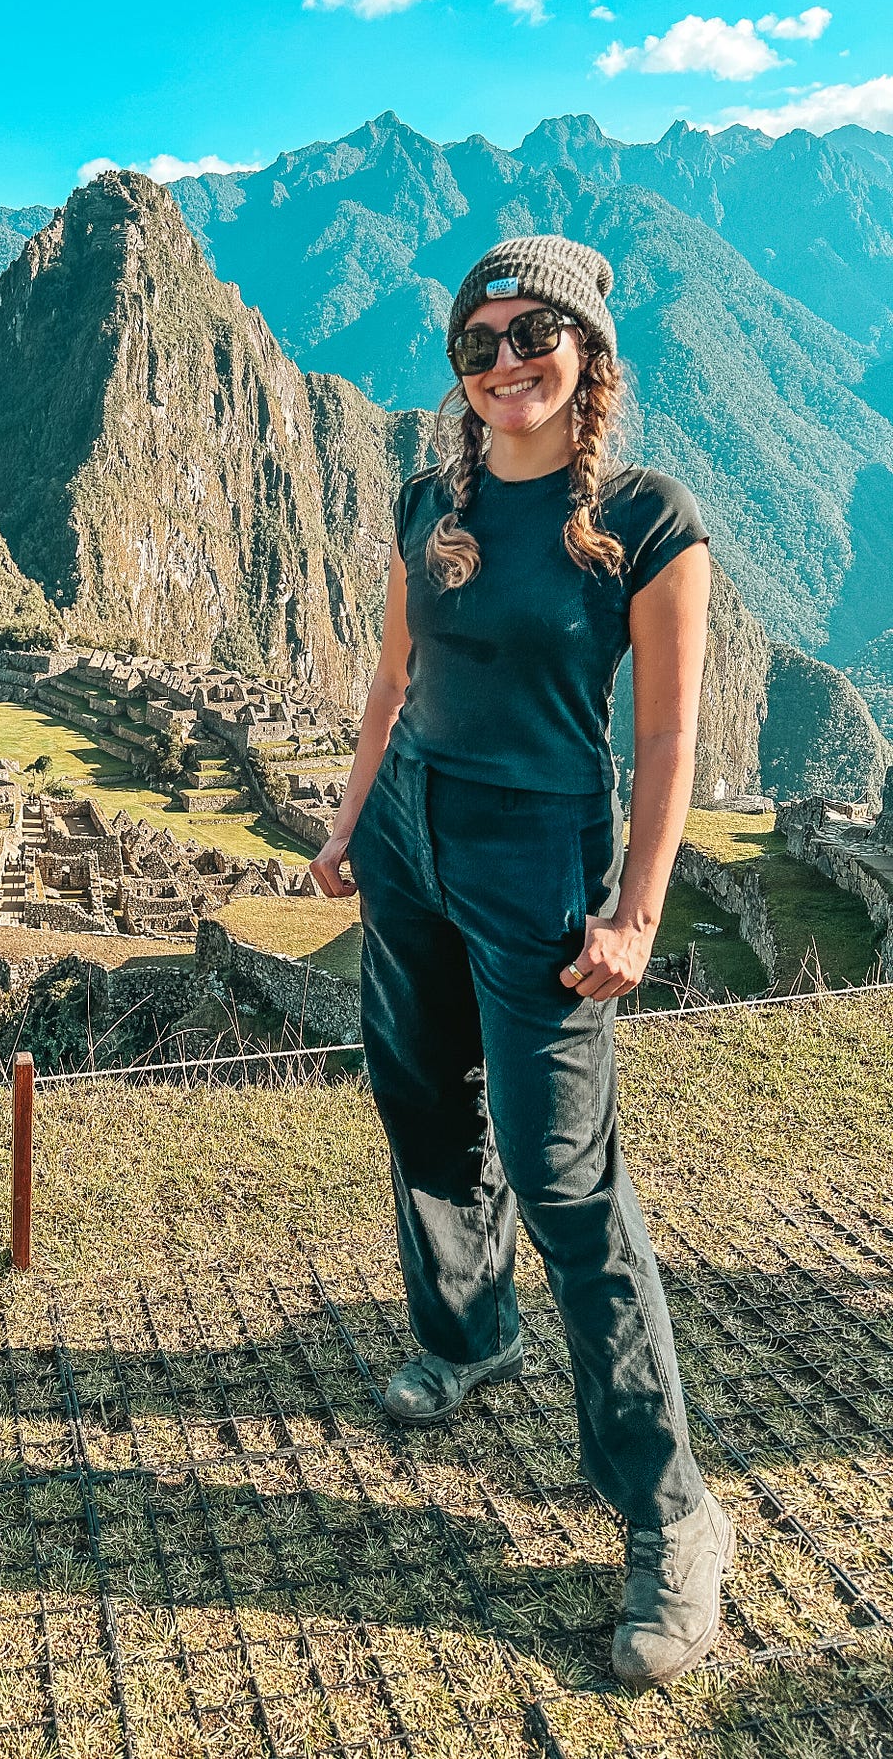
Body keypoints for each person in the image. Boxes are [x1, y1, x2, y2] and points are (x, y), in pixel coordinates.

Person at [310, 235, 732, 1692]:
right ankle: (468, 1329)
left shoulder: (648, 521)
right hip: (417, 834)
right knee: (420, 1098)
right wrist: (356, 814)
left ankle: (673, 1513)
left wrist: (634, 912)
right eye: (479, 341)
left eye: (533, 332)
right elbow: (392, 674)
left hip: (541, 856)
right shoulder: (436, 496)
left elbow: (669, 740)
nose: (505, 360)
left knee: (567, 1180)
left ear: (587, 345)